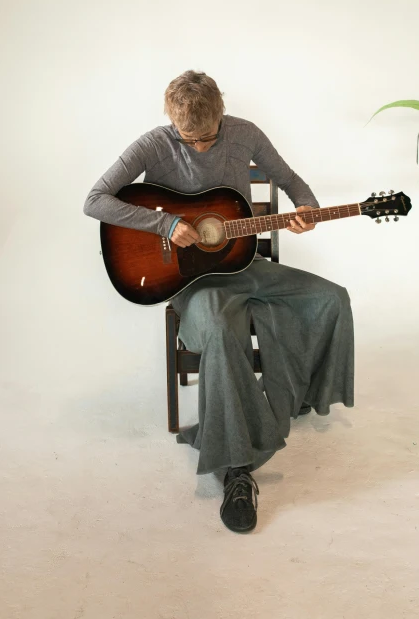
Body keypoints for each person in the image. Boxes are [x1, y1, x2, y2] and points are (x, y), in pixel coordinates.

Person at [83, 70, 354, 534]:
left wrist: (306, 208)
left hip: (245, 265)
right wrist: (165, 225)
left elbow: (290, 181)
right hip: (193, 281)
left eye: (208, 137)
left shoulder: (246, 134)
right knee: (221, 332)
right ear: (172, 122)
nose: (202, 147)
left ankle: (303, 396)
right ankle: (235, 470)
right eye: (190, 140)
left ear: (222, 114)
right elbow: (95, 200)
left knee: (331, 297)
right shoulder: (152, 144)